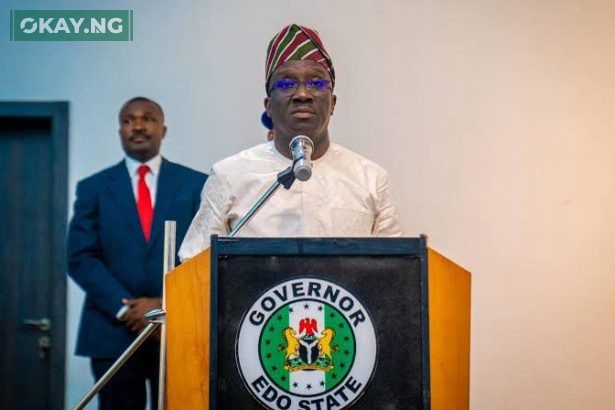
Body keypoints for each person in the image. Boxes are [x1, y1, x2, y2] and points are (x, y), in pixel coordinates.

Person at [178, 24, 402, 260]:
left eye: (316, 83)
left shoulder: (370, 179)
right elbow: (195, 268)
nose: (302, 94)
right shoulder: (229, 176)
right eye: (286, 84)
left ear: (333, 103)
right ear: (268, 106)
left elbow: (397, 267)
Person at [67, 97, 207, 409]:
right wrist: (127, 309)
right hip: (112, 329)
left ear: (163, 130)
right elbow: (80, 257)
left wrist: (164, 305)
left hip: (175, 328)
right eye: (129, 120)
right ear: (120, 131)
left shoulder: (196, 184)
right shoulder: (93, 188)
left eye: (148, 118)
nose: (138, 126)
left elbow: (204, 256)